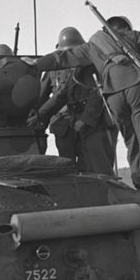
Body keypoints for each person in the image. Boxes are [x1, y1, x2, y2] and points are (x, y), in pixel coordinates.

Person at [23, 14, 140, 194]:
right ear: (125, 28)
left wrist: (37, 63)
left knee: (131, 139)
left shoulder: (94, 44)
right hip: (137, 87)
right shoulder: (134, 36)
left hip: (113, 95)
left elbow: (64, 58)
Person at [27, 27, 117, 175]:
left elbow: (97, 94)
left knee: (93, 169)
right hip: (65, 124)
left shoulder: (92, 67)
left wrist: (85, 120)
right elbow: (57, 96)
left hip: (90, 125)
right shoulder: (54, 70)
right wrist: (39, 115)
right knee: (66, 169)